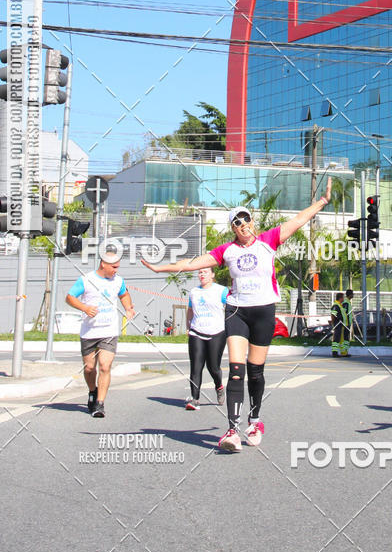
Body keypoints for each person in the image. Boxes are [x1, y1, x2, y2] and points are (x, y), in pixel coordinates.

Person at [142, 178, 333, 452]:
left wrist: (322, 202)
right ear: (232, 227)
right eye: (237, 222)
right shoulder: (226, 251)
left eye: (246, 220)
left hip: (264, 312)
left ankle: (254, 421)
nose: (243, 226)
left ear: (252, 221)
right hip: (236, 312)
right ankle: (232, 430)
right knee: (235, 371)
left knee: (256, 372)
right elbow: (190, 263)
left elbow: (299, 220)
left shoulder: (269, 241)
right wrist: (160, 269)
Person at [66, 242, 135, 418]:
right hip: (89, 331)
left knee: (105, 366)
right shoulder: (86, 280)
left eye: (118, 267)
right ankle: (92, 391)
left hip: (109, 330)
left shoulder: (118, 281)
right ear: (103, 264)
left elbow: (124, 294)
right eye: (114, 267)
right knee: (90, 368)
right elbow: (69, 297)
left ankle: (100, 404)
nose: (116, 270)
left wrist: (128, 308)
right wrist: (84, 308)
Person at [185, 268, 228, 411]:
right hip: (196, 332)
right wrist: (188, 326)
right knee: (196, 367)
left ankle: (219, 386)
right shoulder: (194, 292)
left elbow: (230, 309)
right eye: (200, 272)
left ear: (212, 274)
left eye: (205, 272)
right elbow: (190, 310)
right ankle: (195, 399)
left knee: (213, 367)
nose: (202, 274)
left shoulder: (221, 291)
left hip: (217, 332)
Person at [331, 293, 347, 357]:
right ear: (340, 298)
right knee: (336, 339)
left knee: (340, 339)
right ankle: (334, 353)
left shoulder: (340, 305)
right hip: (337, 324)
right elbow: (333, 315)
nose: (343, 299)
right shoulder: (336, 306)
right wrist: (333, 324)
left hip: (341, 325)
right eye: (343, 297)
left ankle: (342, 352)